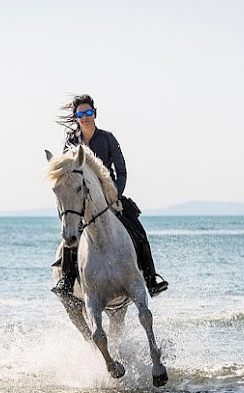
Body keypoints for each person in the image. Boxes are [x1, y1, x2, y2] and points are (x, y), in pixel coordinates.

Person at [52, 94, 168, 298]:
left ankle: (150, 279)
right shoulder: (71, 141)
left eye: (89, 112)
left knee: (139, 231)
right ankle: (67, 280)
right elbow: (66, 174)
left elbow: (122, 171)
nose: (85, 116)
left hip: (110, 198)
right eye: (81, 113)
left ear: (94, 114)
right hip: (82, 203)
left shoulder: (107, 138)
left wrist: (114, 194)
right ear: (76, 117)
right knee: (69, 241)